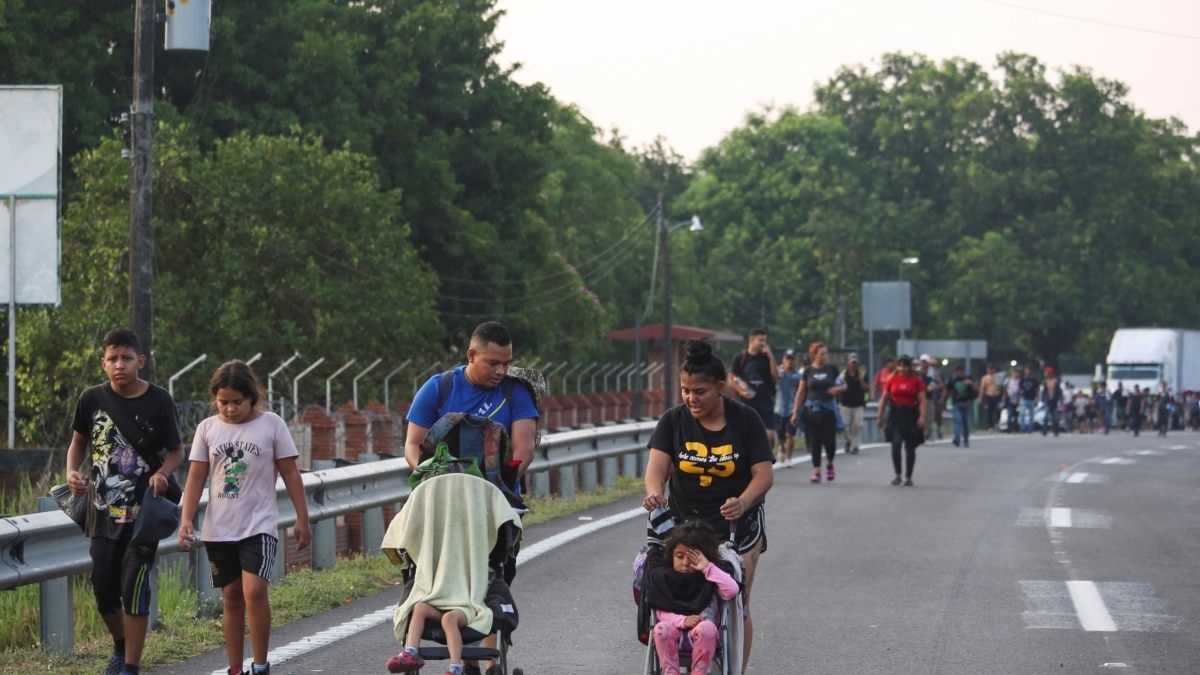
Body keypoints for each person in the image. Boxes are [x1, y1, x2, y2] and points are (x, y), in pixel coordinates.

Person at [403, 321, 538, 675]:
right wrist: (439, 481)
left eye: (506, 363)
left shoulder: (515, 393)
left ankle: (489, 659)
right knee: (440, 573)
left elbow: (524, 447)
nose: (501, 370)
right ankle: (448, 649)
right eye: (493, 362)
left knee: (492, 576)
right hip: (443, 505)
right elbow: (414, 445)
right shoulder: (439, 388)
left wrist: (495, 486)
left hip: (496, 505)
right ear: (471, 355)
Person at [643, 339, 774, 675]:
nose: (691, 398)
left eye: (699, 391)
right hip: (683, 527)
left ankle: (734, 669)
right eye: (685, 390)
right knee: (677, 593)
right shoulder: (673, 421)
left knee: (735, 601)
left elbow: (764, 475)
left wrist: (743, 501)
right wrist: (655, 493)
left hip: (735, 524)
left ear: (720, 387)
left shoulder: (746, 421)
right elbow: (656, 471)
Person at [64, 328, 185, 675]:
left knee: (134, 586)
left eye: (127, 358)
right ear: (103, 363)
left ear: (140, 361)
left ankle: (130, 666)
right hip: (101, 513)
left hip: (141, 514)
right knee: (103, 589)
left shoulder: (160, 400)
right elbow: (79, 442)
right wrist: (72, 471)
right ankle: (120, 645)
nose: (120, 365)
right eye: (113, 359)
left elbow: (177, 451)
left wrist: (162, 472)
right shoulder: (90, 399)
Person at [179, 361, 312, 675]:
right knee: (232, 597)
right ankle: (236, 668)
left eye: (237, 402)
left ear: (252, 397)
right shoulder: (207, 429)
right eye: (223, 402)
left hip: (259, 524)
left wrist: (302, 518)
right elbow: (196, 477)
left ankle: (261, 664)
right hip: (219, 528)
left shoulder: (272, 424)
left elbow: (291, 473)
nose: (229, 409)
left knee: (254, 591)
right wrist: (186, 519)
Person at [644, 521, 740, 675]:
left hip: (704, 636)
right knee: (661, 627)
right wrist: (683, 621)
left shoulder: (710, 580)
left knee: (706, 627)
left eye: (693, 557)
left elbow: (732, 590)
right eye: (679, 556)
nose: (685, 563)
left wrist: (707, 567)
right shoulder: (665, 579)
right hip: (672, 634)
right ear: (671, 556)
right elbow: (660, 612)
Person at [791, 342, 846, 484]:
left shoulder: (832, 369)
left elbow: (844, 385)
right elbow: (801, 393)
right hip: (811, 411)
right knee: (814, 443)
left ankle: (829, 464)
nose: (825, 356)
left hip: (828, 410)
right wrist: (795, 412)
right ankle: (816, 471)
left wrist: (836, 390)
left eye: (826, 353)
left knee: (829, 442)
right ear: (814, 355)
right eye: (822, 354)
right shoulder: (808, 372)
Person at [877, 355, 927, 486]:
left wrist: (922, 416)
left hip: (911, 414)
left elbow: (922, 400)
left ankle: (909, 476)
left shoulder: (916, 380)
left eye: (905, 366)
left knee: (910, 447)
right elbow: (884, 398)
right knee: (896, 444)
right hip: (896, 414)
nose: (902, 368)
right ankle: (898, 474)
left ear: (909, 367)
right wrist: (880, 416)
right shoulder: (892, 379)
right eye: (900, 366)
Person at [728, 328, 780, 446]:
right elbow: (731, 379)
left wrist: (771, 357)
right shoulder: (740, 357)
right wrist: (741, 392)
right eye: (760, 340)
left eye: (765, 341)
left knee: (770, 436)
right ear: (751, 340)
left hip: (765, 400)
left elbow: (775, 377)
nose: (763, 343)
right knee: (746, 435)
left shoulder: (766, 358)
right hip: (747, 401)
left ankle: (767, 459)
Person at [773, 350, 802, 467]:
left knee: (790, 434)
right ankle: (781, 447)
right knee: (780, 434)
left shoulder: (798, 376)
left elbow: (801, 392)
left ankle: (789, 458)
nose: (790, 362)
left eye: (792, 359)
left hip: (792, 409)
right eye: (787, 359)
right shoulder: (779, 374)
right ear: (783, 360)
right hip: (779, 408)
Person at [941, 364, 978, 447]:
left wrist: (971, 384)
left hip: (967, 404)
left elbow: (977, 389)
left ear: (962, 372)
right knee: (958, 420)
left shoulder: (968, 378)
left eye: (958, 371)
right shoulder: (953, 379)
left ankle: (966, 440)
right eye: (955, 371)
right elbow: (947, 390)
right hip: (957, 404)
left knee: (966, 423)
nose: (956, 373)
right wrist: (943, 400)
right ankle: (957, 438)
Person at [839, 354, 869, 455]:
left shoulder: (863, 374)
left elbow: (866, 388)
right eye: (852, 363)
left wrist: (860, 379)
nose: (853, 365)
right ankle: (848, 441)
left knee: (858, 426)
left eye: (855, 363)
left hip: (858, 405)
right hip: (845, 404)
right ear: (848, 363)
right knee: (843, 426)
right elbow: (838, 386)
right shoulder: (843, 374)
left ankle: (855, 446)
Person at [919, 355, 943, 441]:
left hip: (929, 398)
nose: (923, 363)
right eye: (922, 361)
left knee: (929, 417)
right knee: (919, 415)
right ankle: (920, 434)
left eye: (925, 362)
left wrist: (934, 387)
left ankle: (927, 433)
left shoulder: (932, 372)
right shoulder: (917, 372)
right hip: (918, 398)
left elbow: (940, 384)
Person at [978, 364, 1002, 432]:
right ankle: (991, 426)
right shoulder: (985, 378)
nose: (990, 371)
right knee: (990, 411)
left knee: (998, 410)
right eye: (989, 369)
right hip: (989, 396)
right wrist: (980, 397)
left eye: (991, 369)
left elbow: (1001, 386)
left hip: (997, 395)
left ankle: (997, 423)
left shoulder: (997, 377)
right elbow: (982, 388)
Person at [1040, 367, 1064, 437]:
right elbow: (1044, 392)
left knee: (1055, 417)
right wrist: (1042, 400)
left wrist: (1060, 400)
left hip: (1054, 401)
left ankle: (1056, 430)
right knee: (1046, 416)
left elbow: (1059, 392)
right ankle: (1044, 430)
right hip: (1047, 400)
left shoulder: (1056, 381)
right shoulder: (1045, 382)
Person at [1017, 366, 1040, 433]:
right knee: (1022, 414)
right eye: (1026, 371)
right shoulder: (1022, 380)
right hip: (1024, 399)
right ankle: (1022, 428)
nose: (1027, 373)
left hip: (1031, 399)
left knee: (1031, 415)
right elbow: (1019, 389)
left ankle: (1030, 428)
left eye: (1028, 371)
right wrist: (1018, 399)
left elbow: (1037, 390)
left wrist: (1037, 399)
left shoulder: (1034, 380)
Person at [1004, 367, 1022, 433]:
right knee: (1010, 414)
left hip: (1016, 400)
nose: (1015, 374)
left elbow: (1020, 391)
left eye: (1017, 373)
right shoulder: (1008, 380)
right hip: (1009, 400)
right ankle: (1009, 428)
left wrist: (1018, 399)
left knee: (1015, 415)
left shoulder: (1020, 381)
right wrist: (1005, 395)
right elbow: (1004, 388)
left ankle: (1015, 428)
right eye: (1014, 373)